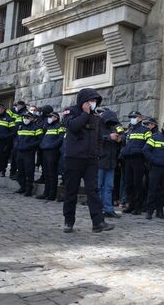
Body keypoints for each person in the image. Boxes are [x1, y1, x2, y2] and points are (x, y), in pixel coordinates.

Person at [62, 88, 114, 233]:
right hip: (74, 158)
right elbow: (72, 126)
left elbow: (98, 137)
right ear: (84, 101)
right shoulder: (70, 111)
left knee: (93, 190)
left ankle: (98, 222)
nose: (93, 104)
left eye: (95, 101)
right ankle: (68, 221)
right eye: (91, 101)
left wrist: (98, 154)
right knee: (71, 189)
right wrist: (85, 114)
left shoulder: (96, 116)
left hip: (91, 159)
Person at [143, 120, 164, 220]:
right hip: (156, 168)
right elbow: (145, 150)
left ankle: (160, 211)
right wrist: (153, 160)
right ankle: (149, 211)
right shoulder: (154, 137)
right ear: (163, 127)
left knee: (163, 191)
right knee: (152, 190)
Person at [121, 111, 152, 215]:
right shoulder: (130, 131)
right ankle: (131, 205)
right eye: (131, 117)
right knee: (128, 183)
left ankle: (138, 207)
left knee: (137, 184)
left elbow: (148, 145)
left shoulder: (146, 131)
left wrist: (141, 153)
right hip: (128, 160)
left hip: (139, 160)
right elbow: (126, 143)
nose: (132, 119)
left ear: (140, 118)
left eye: (134, 117)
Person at [98, 109, 123, 219]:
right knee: (98, 187)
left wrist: (120, 140)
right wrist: (109, 137)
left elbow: (123, 137)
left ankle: (108, 209)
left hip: (111, 162)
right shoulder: (98, 127)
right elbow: (95, 140)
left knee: (109, 187)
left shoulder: (114, 127)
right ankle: (97, 209)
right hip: (100, 161)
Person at [37, 111, 65, 200]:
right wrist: (42, 145)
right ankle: (46, 193)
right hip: (45, 151)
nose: (49, 118)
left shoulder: (60, 127)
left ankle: (52, 194)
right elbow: (44, 138)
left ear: (56, 117)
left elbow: (60, 140)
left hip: (53, 152)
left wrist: (51, 146)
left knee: (52, 173)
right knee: (46, 173)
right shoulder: (48, 127)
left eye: (51, 116)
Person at [15, 112, 43, 196]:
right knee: (20, 171)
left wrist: (29, 146)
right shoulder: (20, 127)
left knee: (29, 172)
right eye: (24, 117)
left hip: (29, 153)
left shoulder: (36, 128)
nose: (25, 119)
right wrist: (16, 145)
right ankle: (22, 187)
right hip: (19, 152)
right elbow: (16, 138)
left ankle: (29, 190)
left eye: (28, 117)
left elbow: (39, 140)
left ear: (32, 118)